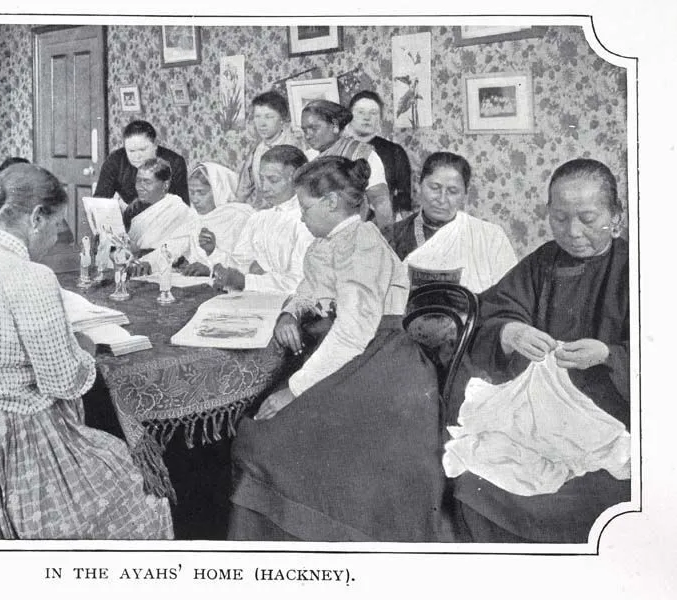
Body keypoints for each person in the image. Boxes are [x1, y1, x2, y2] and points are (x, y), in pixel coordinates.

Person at [0, 163, 173, 540]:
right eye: (57, 224)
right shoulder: (31, 276)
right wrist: (84, 346)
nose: (57, 234)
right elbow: (64, 382)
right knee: (128, 478)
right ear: (36, 218)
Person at [229, 156, 453, 542]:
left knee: (270, 441)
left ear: (331, 202)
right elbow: (308, 289)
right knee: (264, 426)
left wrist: (294, 390)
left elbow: (352, 331)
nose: (301, 218)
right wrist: (289, 313)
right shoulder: (328, 242)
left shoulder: (362, 243)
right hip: (352, 353)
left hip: (385, 362)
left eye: (305, 208)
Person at [451, 158, 630, 544]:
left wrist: (608, 354)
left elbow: (662, 350)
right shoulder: (544, 261)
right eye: (560, 218)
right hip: (536, 409)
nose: (573, 232)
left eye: (587, 218)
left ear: (616, 216)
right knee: (474, 482)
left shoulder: (638, 267)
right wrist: (511, 332)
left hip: (612, 411)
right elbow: (490, 310)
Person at [381, 152, 518, 293]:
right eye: (434, 188)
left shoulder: (490, 237)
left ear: (465, 193)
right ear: (419, 184)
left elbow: (509, 296)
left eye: (452, 191)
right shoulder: (392, 236)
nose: (442, 199)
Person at [212, 145, 313, 295]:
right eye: (261, 179)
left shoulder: (308, 221)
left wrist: (247, 281)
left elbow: (301, 283)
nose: (264, 187)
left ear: (296, 179)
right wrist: (217, 266)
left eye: (273, 180)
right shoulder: (258, 218)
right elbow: (239, 263)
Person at [136, 162, 253, 276]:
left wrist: (210, 268)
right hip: (197, 282)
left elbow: (246, 265)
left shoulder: (241, 217)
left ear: (218, 191)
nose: (195, 199)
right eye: (191, 192)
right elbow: (173, 247)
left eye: (201, 193)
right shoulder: (194, 218)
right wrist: (148, 263)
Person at [299, 100, 392, 226]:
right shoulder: (308, 157)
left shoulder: (361, 154)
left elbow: (380, 201)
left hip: (354, 229)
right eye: (305, 130)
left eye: (314, 128)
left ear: (334, 125)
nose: (308, 135)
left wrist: (386, 234)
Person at [345, 90, 414, 221]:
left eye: (373, 113)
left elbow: (404, 200)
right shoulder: (339, 148)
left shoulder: (394, 152)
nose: (367, 117)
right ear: (349, 116)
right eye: (360, 112)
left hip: (384, 222)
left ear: (380, 118)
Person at [235, 91, 305, 209]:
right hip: (263, 211)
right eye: (257, 117)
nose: (262, 124)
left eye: (269, 117)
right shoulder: (257, 150)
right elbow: (244, 188)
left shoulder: (295, 146)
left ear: (282, 118)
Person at [94, 120, 189, 206]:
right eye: (131, 151)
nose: (137, 156)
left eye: (142, 150)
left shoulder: (175, 163)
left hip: (164, 216)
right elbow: (99, 202)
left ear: (155, 144)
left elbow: (182, 207)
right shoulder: (115, 161)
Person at [125, 158, 194, 250]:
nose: (139, 187)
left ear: (165, 185)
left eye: (147, 182)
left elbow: (179, 247)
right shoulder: (133, 208)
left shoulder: (178, 209)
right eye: (138, 181)